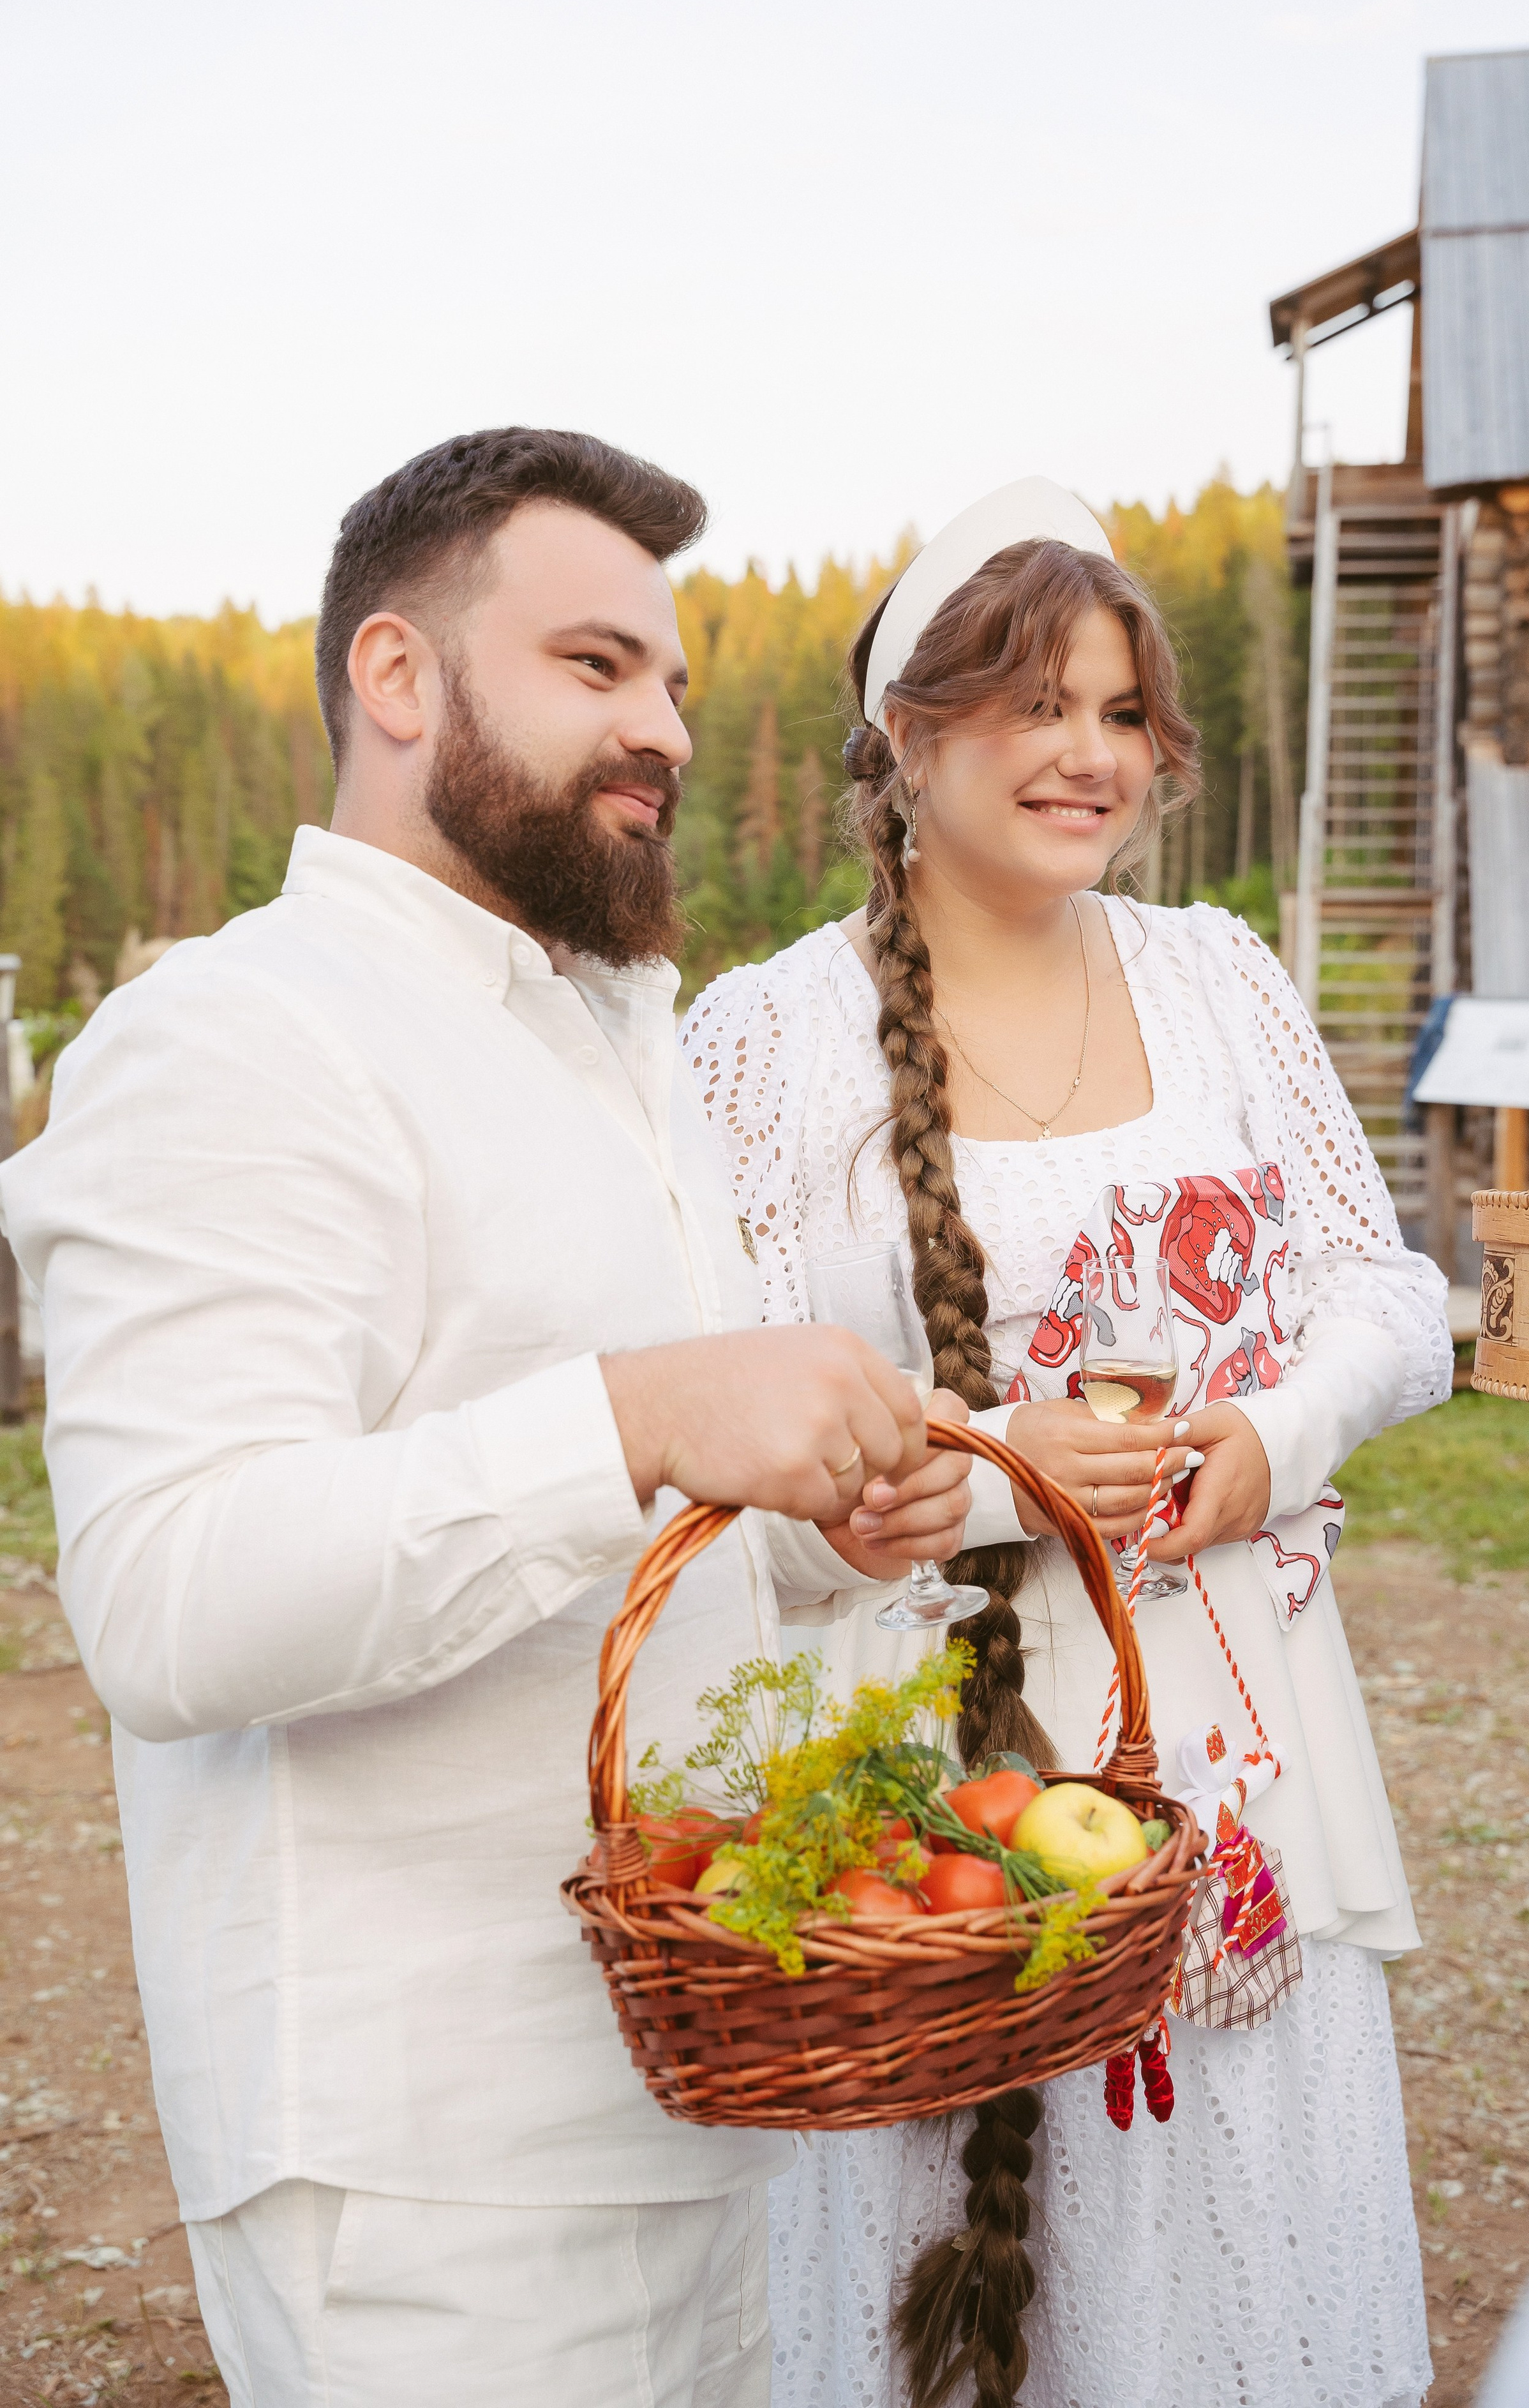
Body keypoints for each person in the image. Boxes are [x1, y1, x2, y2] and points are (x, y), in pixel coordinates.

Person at [0, 428, 974, 2408]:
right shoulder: (232, 1036)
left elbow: (625, 1519)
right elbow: (173, 1605)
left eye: (675, 683)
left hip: (695, 2088)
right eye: (596, 665)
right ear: (398, 675)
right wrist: (638, 1412)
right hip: (429, 2162)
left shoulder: (629, 1050)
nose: (667, 730)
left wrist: (817, 1538)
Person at [682, 480, 1452, 2408]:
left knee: (1230, 2222)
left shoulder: (1219, 978)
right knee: (945, 2177)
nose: (1090, 755)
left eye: (1120, 712)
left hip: (1227, 1736)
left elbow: (1385, 1290)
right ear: (906, 734)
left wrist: (1273, 1436)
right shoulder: (770, 1042)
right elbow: (724, 1416)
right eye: (1035, 706)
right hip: (924, 1767)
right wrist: (991, 1464)